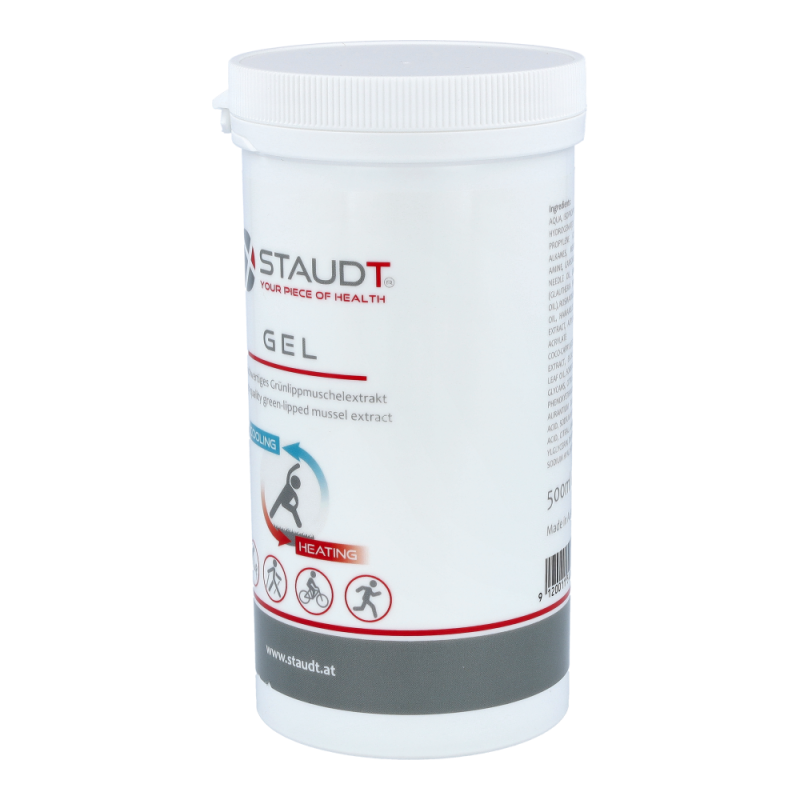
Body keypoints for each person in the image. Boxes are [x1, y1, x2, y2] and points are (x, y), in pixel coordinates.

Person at [270, 463, 302, 528]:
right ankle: (271, 514)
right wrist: (295, 466)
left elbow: (289, 473)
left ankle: (299, 525)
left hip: (285, 503)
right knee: (277, 504)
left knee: (293, 510)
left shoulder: (292, 490)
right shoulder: (288, 485)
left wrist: (295, 506)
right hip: (281, 499)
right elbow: (289, 472)